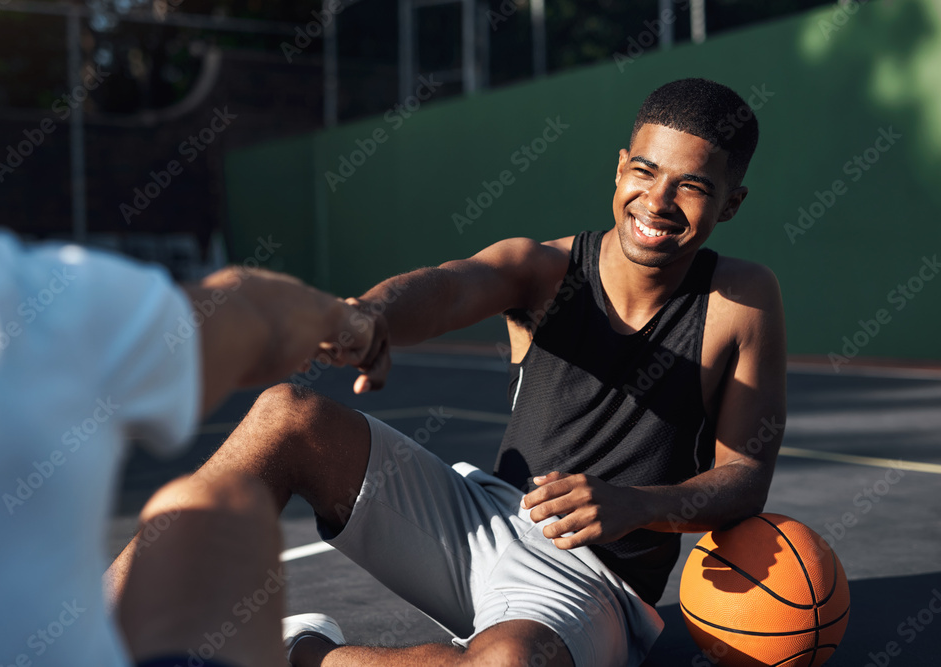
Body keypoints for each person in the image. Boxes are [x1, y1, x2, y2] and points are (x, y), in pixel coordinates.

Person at [111, 77, 788, 667]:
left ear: (731, 203)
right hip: (482, 517)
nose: (657, 200)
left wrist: (636, 504)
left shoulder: (742, 301)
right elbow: (449, 286)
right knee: (289, 416)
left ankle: (296, 651)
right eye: (645, 171)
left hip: (593, 581)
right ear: (619, 169)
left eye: (692, 186)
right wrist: (372, 314)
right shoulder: (546, 269)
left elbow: (744, 479)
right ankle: (104, 621)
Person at [0, 202, 373, 667]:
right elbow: (258, 317)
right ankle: (307, 653)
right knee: (227, 502)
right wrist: (345, 322)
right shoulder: (15, 298)